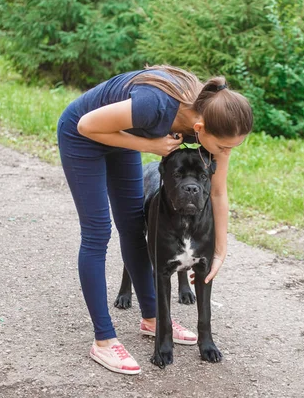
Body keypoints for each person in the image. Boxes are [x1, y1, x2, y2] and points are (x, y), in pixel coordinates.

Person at [57, 65, 253, 375]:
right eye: (225, 146)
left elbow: (217, 193)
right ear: (200, 127)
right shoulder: (155, 105)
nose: (227, 152)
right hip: (84, 134)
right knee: (98, 233)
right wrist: (148, 145)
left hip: (123, 136)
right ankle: (104, 341)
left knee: (134, 226)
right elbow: (86, 125)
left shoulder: (210, 123)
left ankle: (152, 319)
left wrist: (219, 248)